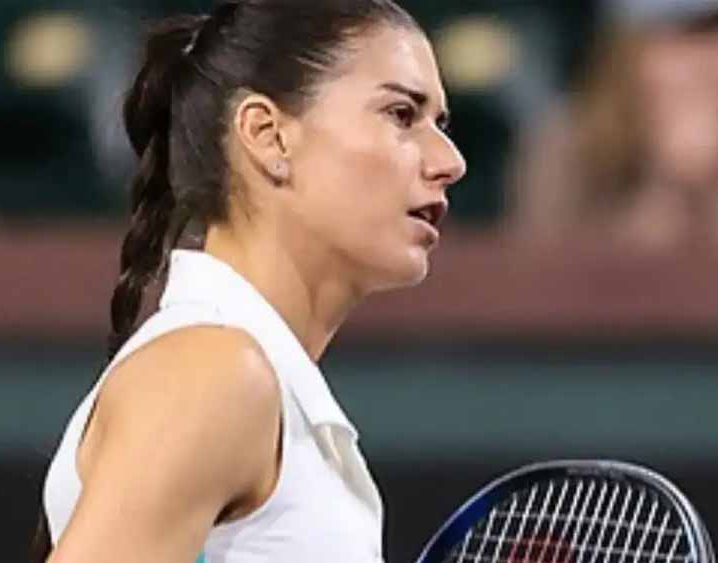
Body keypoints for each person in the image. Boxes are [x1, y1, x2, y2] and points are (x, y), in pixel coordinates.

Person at [34, 0, 465, 561]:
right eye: (401, 114)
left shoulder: (241, 378)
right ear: (267, 135)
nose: (449, 161)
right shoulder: (216, 373)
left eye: (440, 125)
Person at [507, 0, 718, 254]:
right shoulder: (570, 145)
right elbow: (542, 269)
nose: (705, 65)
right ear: (626, 56)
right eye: (682, 38)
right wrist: (662, 191)